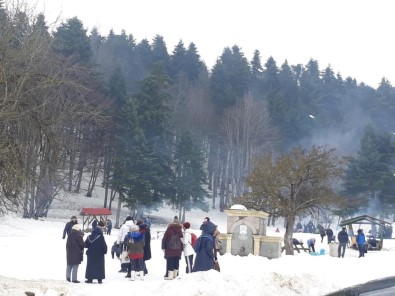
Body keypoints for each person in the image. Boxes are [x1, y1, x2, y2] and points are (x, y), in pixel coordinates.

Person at [162, 216, 183, 280]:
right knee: (176, 261)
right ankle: (175, 274)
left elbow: (164, 239)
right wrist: (181, 249)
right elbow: (182, 240)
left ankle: (169, 275)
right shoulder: (180, 230)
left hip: (170, 249)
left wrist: (163, 247)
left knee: (169, 261)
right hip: (178, 249)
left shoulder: (169, 229)